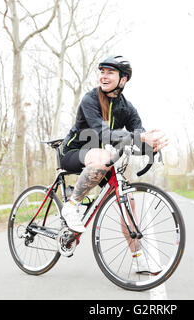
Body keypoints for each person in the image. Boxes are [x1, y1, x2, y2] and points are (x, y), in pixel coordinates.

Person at [60, 55, 168, 273]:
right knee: (101, 156)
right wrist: (141, 138)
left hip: (101, 159)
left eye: (110, 72)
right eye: (102, 71)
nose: (104, 76)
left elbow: (137, 135)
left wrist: (152, 146)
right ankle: (71, 207)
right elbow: (103, 134)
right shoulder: (90, 99)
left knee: (128, 201)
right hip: (73, 152)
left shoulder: (127, 108)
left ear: (123, 79)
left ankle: (139, 259)